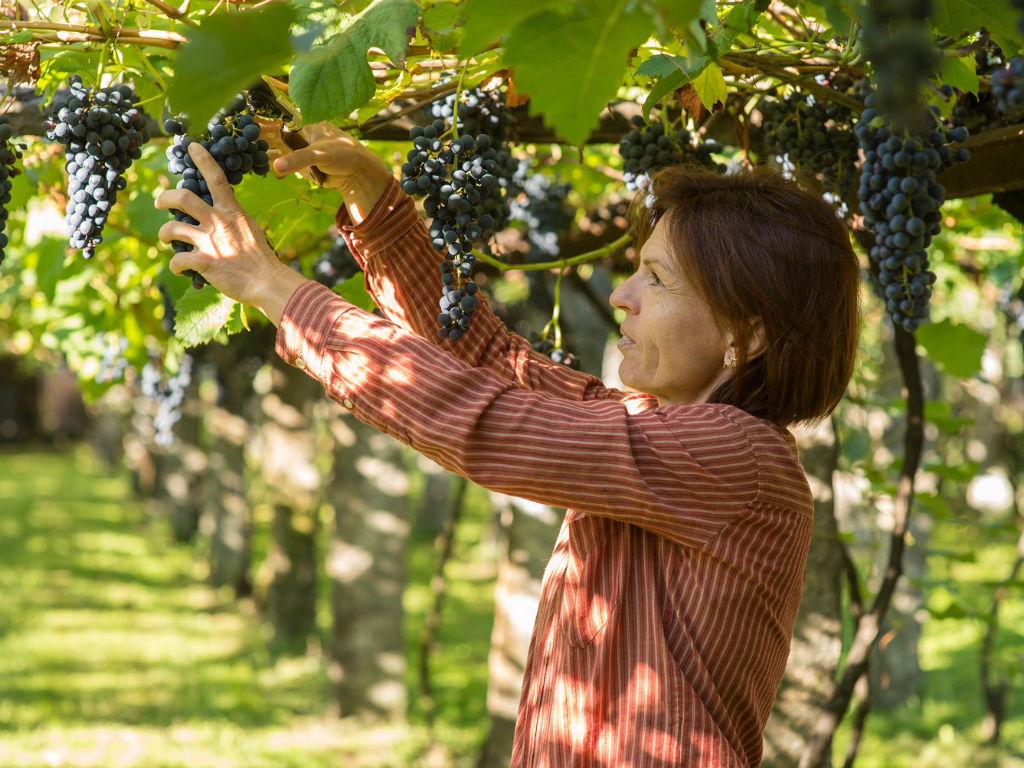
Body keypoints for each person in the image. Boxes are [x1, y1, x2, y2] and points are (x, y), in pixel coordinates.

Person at [154, 122, 861, 767]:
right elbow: (490, 360)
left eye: (658, 277)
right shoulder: (651, 429)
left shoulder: (733, 456)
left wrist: (279, 291)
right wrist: (374, 199)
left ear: (747, 334)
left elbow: (482, 420)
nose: (621, 296)